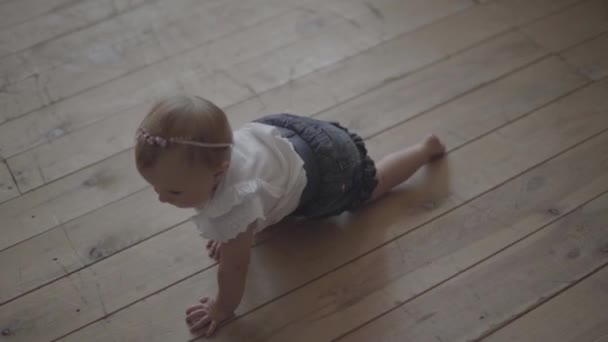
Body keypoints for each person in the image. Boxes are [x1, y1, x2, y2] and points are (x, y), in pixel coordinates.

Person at [134, 95, 445, 337]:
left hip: (332, 167)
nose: (161, 198)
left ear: (220, 173)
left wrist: (222, 308)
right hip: (288, 134)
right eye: (155, 187)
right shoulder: (216, 153)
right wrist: (233, 233)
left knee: (373, 184)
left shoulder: (234, 202)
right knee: (254, 209)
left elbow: (235, 267)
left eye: (174, 192)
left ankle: (422, 150)